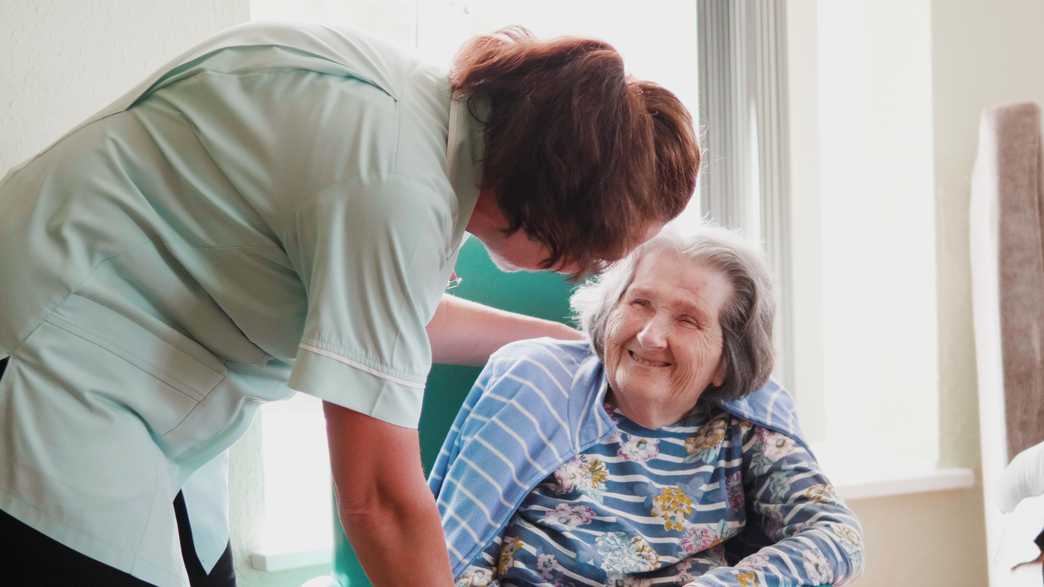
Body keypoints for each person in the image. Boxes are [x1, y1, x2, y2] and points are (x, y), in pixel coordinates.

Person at [0, 21, 699, 587]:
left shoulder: (421, 124)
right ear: (556, 207)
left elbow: (390, 319)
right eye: (593, 253)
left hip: (144, 385)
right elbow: (379, 500)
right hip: (57, 364)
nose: (580, 271)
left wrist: (569, 343)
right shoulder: (397, 188)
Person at [430, 226, 865, 586]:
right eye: (639, 303)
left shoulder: (745, 418)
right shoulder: (535, 386)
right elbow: (455, 561)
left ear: (725, 360)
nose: (650, 336)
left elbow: (835, 534)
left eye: (687, 319)